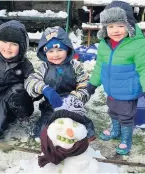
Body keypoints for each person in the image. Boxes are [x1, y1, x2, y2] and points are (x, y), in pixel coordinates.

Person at [87, 1, 145, 155]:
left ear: (130, 25)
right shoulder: (104, 44)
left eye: (120, 25)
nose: (115, 30)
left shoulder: (138, 45)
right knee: (113, 111)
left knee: (126, 116)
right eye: (110, 26)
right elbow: (100, 66)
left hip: (128, 91)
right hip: (111, 90)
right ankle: (115, 130)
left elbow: (144, 68)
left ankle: (126, 139)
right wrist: (92, 84)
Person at [25, 26, 95, 141]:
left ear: (67, 49)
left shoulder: (75, 66)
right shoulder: (44, 67)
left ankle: (81, 137)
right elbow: (31, 81)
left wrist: (75, 98)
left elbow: (85, 84)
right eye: (51, 51)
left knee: (81, 127)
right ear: (45, 52)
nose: (55, 55)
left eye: (60, 50)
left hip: (72, 104)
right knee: (44, 131)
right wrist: (45, 89)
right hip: (51, 104)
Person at [0, 20, 35, 141]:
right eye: (4, 41)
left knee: (18, 90)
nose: (7, 47)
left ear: (22, 46)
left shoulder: (24, 64)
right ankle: (2, 118)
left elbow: (33, 82)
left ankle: (22, 117)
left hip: (16, 98)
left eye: (13, 44)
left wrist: (35, 91)